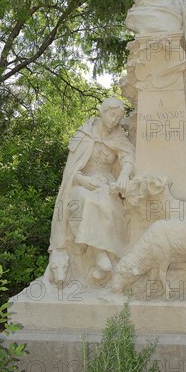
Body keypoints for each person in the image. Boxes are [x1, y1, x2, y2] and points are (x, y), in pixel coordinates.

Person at [48, 98, 135, 281]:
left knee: (105, 200)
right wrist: (85, 181)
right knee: (83, 199)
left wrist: (124, 175)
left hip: (106, 182)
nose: (114, 120)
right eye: (111, 114)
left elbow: (128, 157)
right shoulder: (84, 134)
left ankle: (101, 256)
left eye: (118, 117)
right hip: (81, 183)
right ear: (102, 112)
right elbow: (71, 171)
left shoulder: (119, 137)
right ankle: (99, 255)